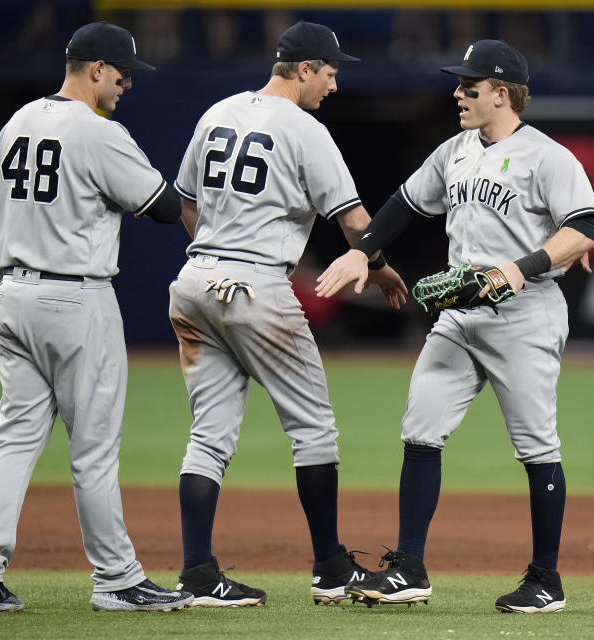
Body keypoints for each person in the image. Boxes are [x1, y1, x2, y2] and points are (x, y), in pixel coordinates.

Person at [315, 39, 594, 613]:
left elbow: (584, 227)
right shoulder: (456, 151)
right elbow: (404, 204)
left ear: (501, 93)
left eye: (469, 86)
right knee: (420, 429)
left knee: (537, 447)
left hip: (526, 316)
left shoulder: (548, 157)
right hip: (460, 313)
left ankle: (546, 580)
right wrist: (363, 252)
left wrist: (521, 270)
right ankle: (410, 569)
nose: (457, 93)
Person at [0, 22, 193, 613]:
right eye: (121, 72)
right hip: (74, 298)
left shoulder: (17, 122)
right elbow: (163, 207)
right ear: (94, 69)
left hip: (13, 294)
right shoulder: (96, 131)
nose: (128, 83)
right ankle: (116, 578)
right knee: (93, 448)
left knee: (12, 441)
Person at [169, 21, 408, 607]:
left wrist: (216, 251)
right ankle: (330, 567)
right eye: (329, 72)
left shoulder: (217, 112)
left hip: (196, 281)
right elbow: (355, 222)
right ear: (304, 69)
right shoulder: (305, 128)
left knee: (207, 437)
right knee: (313, 429)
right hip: (256, 287)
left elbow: (185, 202)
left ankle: (198, 573)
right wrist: (377, 267)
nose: (333, 84)